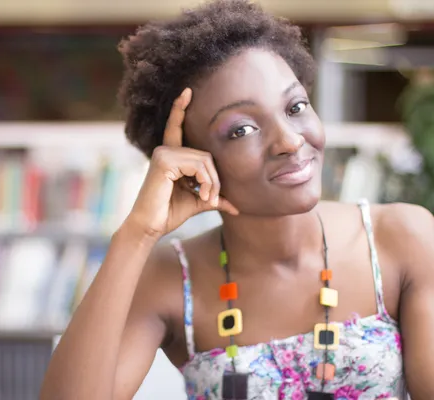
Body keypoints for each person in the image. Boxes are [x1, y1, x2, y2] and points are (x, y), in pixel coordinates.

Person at [40, 1, 434, 399]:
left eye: (296, 107)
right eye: (242, 129)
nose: (290, 140)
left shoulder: (401, 239)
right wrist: (137, 234)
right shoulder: (169, 279)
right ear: (192, 158)